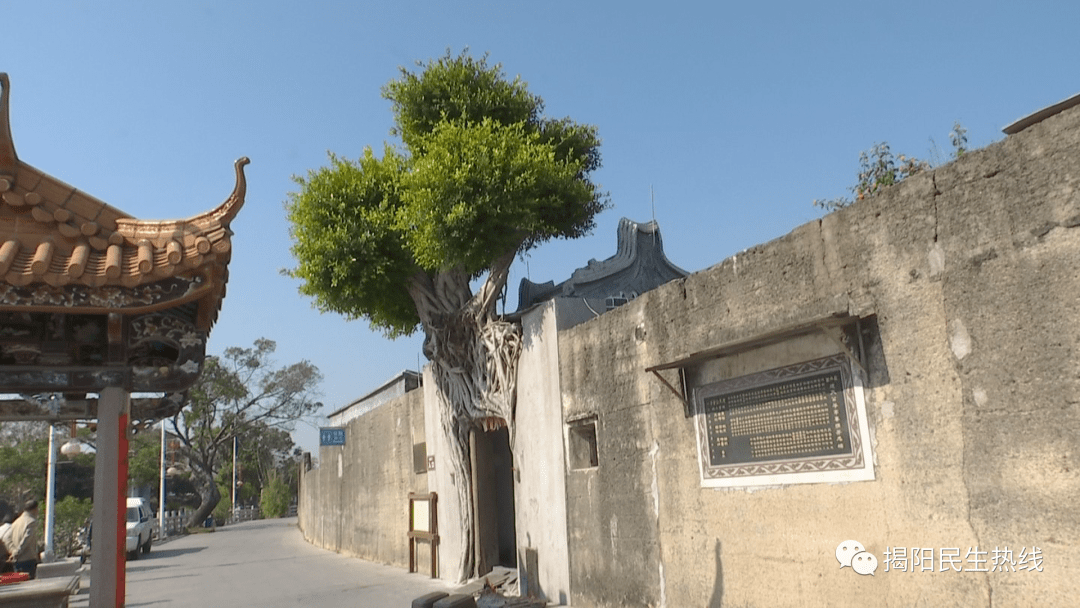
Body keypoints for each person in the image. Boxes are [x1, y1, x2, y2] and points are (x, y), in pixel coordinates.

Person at [8, 500, 40, 579]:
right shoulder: (31, 522)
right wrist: (17, 552)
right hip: (28, 560)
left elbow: (9, 539)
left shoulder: (15, 522)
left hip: (17, 561)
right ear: (35, 509)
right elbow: (27, 540)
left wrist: (13, 552)